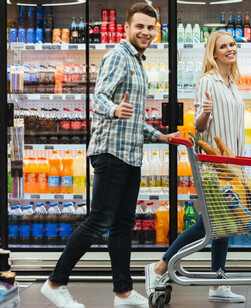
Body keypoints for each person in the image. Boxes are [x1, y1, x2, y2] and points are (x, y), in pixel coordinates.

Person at [41, 3, 178, 308]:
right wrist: (115, 108)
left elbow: (135, 119)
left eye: (150, 28)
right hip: (110, 152)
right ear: (128, 28)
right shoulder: (118, 56)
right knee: (98, 220)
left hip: (130, 154)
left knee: (122, 224)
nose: (145, 32)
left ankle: (124, 293)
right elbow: (99, 97)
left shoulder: (138, 63)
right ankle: (55, 282)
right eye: (139, 26)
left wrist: (159, 136)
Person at [145, 31, 246, 303]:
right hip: (214, 164)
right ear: (213, 54)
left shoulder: (232, 83)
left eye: (232, 45)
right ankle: (160, 267)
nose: (229, 49)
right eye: (222, 46)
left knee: (224, 224)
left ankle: (217, 284)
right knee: (209, 225)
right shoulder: (207, 82)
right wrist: (205, 113)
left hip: (233, 162)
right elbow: (200, 128)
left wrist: (241, 163)